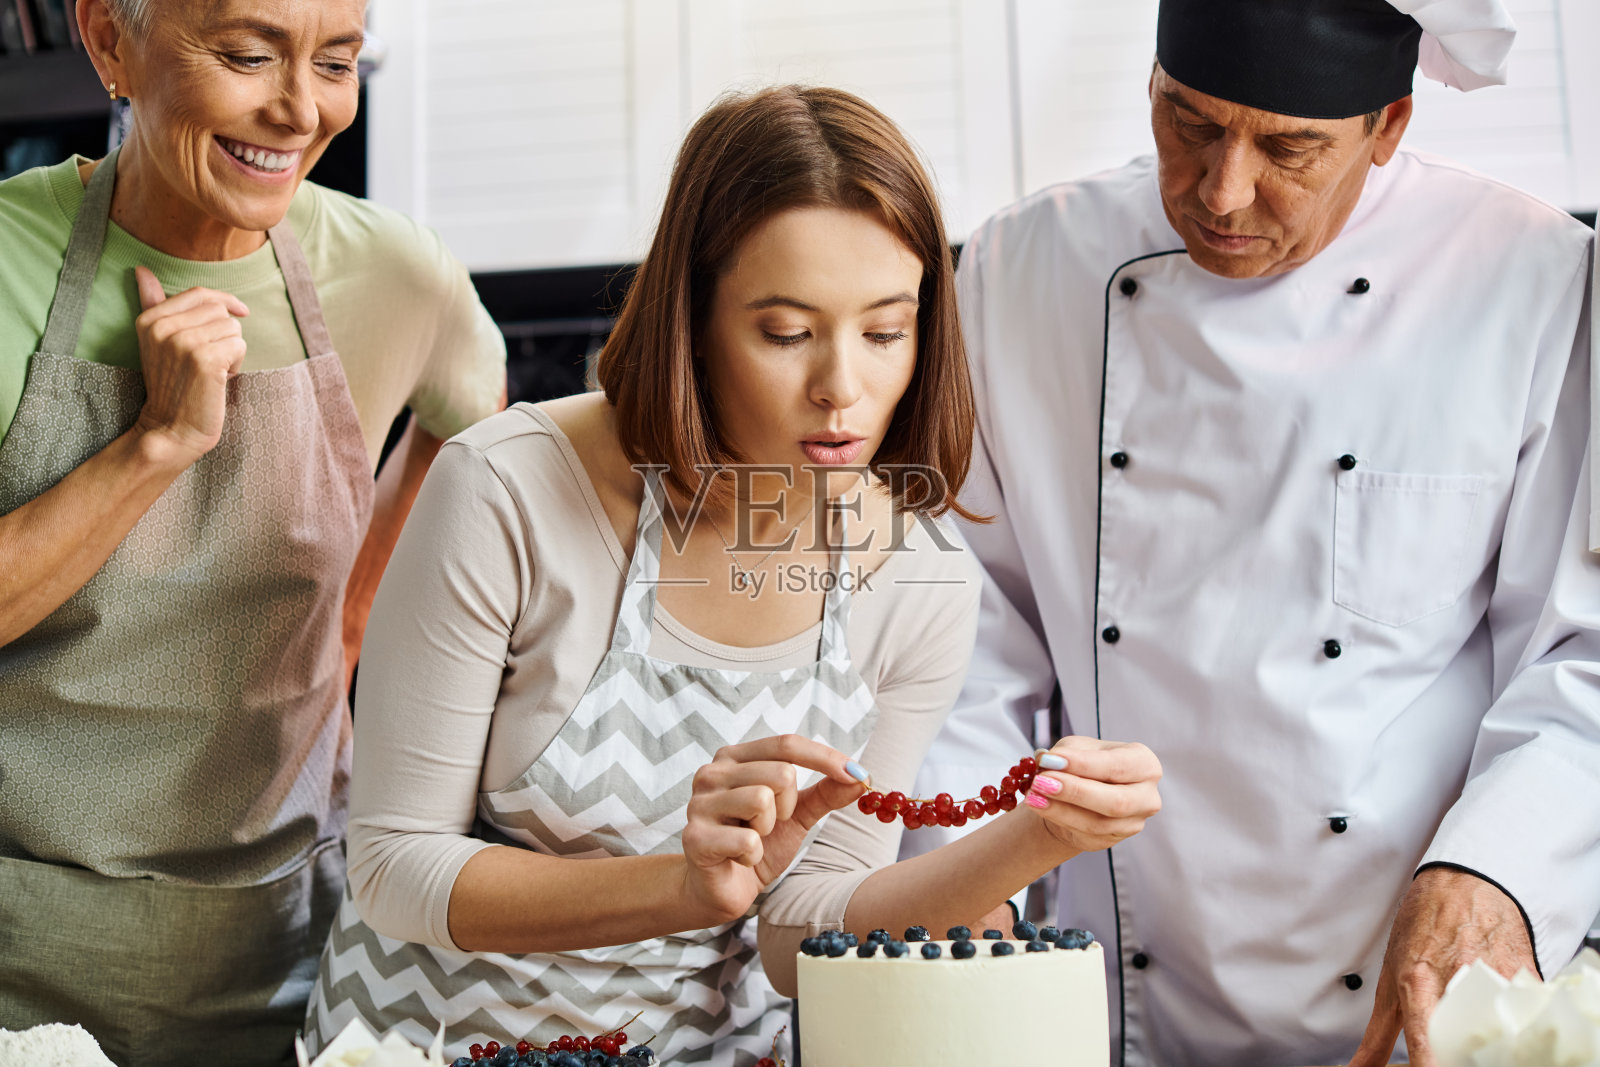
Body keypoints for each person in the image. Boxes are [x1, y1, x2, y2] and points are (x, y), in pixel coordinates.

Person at [303, 85, 1163, 1065]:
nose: (843, 387)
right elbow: (394, 867)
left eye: (886, 331)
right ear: (694, 318)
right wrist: (681, 886)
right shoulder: (507, 488)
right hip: (433, 1042)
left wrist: (1040, 837)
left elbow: (801, 938)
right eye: (787, 332)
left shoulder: (917, 578)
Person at [900, 0, 1600, 1064]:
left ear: (1389, 125)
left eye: (1288, 148)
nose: (1222, 191)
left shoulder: (1535, 281)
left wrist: (1497, 869)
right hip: (1110, 992)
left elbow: (1582, 649)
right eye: (1189, 123)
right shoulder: (1022, 269)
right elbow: (966, 636)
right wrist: (957, 886)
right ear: (1151, 84)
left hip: (1413, 976)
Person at [0, 0, 505, 1061]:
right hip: (19, 966)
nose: (300, 109)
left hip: (291, 952)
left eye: (337, 62)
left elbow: (474, 427)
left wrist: (352, 623)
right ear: (109, 40)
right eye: (247, 54)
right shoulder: (7, 260)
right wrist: (157, 444)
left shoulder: (397, 275)